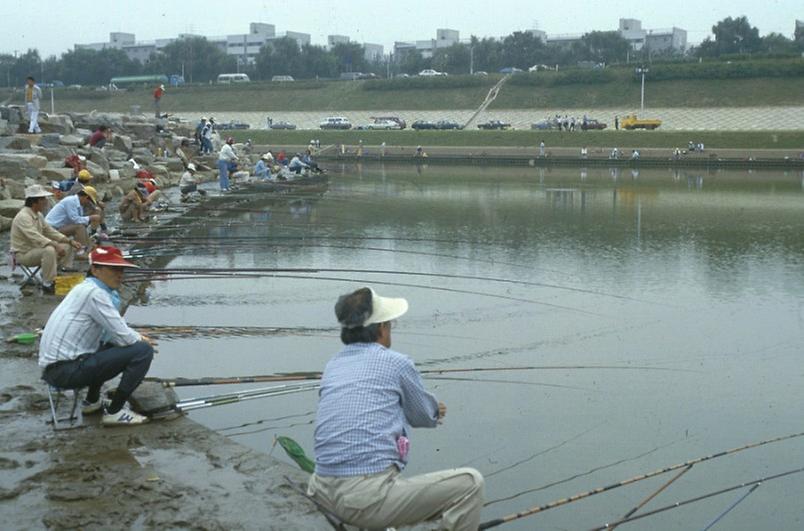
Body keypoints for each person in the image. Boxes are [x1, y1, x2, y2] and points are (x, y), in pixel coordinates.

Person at [308, 287, 484, 531]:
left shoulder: (333, 365)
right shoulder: (396, 362)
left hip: (321, 492)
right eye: (390, 324)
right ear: (381, 328)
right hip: (362, 501)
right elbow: (423, 415)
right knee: (471, 483)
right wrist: (436, 409)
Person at [38, 246, 154, 426]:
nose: (120, 274)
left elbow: (111, 335)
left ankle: (92, 401)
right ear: (95, 270)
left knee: (111, 345)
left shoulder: (85, 288)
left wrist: (135, 336)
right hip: (64, 372)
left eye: (121, 269)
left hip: (56, 370)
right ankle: (115, 412)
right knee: (143, 351)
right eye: (113, 269)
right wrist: (140, 339)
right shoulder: (95, 293)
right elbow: (125, 337)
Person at [10, 185, 82, 293]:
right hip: (23, 253)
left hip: (35, 249)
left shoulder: (38, 214)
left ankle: (60, 270)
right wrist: (55, 245)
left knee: (66, 245)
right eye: (43, 199)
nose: (46, 201)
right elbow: (36, 237)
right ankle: (47, 283)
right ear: (35, 202)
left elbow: (49, 231)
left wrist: (69, 240)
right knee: (49, 250)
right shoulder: (23, 217)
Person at [45, 186, 101, 251]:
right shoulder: (70, 201)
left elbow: (79, 220)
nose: (88, 203)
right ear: (86, 197)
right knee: (79, 227)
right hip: (51, 230)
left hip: (59, 228)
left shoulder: (78, 204)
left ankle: (88, 247)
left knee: (81, 226)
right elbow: (76, 220)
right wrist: (90, 217)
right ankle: (81, 252)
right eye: (89, 201)